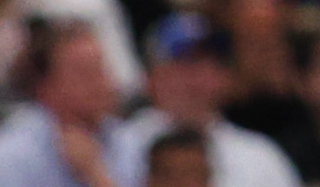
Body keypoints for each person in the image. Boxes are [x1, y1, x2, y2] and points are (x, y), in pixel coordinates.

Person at [108, 22, 285, 187]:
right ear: (153, 75)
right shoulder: (120, 144)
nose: (199, 79)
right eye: (187, 64)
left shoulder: (258, 155)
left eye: (212, 64)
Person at [0, 25, 124, 187]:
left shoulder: (128, 143)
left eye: (102, 69)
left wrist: (96, 175)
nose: (102, 83)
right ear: (45, 85)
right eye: (85, 73)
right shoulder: (3, 156)